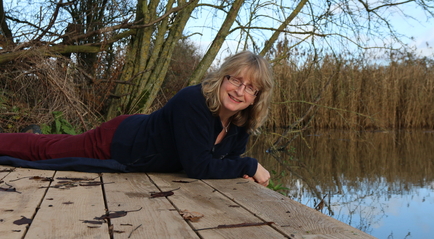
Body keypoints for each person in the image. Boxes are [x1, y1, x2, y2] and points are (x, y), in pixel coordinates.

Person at [0, 51, 273, 186]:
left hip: (140, 144)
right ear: (223, 77)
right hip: (119, 141)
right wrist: (248, 165)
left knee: (57, 143)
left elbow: (226, 162)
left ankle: (29, 135)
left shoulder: (241, 123)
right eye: (236, 80)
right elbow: (199, 166)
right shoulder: (194, 101)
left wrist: (241, 168)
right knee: (47, 150)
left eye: (250, 87)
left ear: (257, 96)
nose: (240, 91)